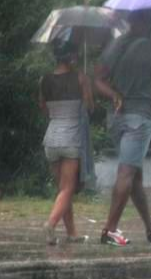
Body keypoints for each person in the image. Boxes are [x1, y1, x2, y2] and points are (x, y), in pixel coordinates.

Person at [94, 10, 151, 246]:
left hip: (116, 119)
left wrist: (114, 95)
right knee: (127, 174)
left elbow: (97, 79)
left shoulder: (114, 46)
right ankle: (109, 230)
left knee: (135, 176)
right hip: (139, 119)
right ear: (146, 21)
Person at [39, 29, 94, 245]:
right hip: (71, 139)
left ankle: (72, 233)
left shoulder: (44, 80)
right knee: (68, 188)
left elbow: (43, 108)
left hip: (51, 139)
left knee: (63, 188)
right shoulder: (80, 77)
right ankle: (50, 225)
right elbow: (90, 108)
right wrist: (86, 90)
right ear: (71, 56)